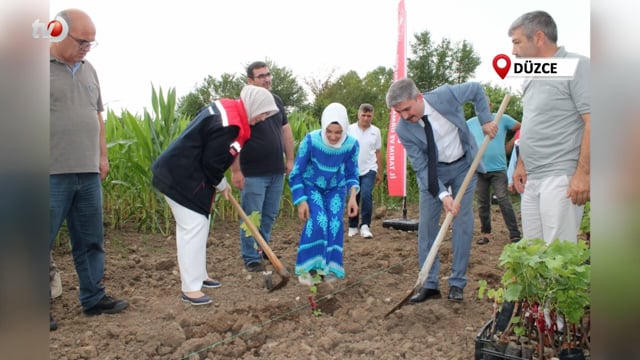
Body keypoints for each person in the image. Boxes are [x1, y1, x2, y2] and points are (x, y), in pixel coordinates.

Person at [152, 85, 279, 305]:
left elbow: (216, 158)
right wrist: (221, 184)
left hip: (187, 175)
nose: (263, 119)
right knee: (192, 229)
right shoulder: (229, 125)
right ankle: (190, 289)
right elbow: (211, 163)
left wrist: (219, 181)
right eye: (263, 113)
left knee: (200, 225)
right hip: (180, 177)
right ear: (254, 106)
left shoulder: (232, 111)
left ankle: (200, 276)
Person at [49, 9, 129, 330]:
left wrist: (103, 157)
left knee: (90, 239)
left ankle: (93, 297)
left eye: (91, 43)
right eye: (82, 41)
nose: (86, 48)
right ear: (58, 32)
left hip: (87, 171)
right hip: (49, 172)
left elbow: (98, 115)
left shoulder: (89, 69)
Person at [385, 78, 497, 303]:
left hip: (463, 166)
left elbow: (476, 89)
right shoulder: (404, 129)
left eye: (407, 109)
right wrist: (443, 195)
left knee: (462, 223)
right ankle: (429, 284)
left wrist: (486, 120)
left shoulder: (445, 96)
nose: (405, 116)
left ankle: (457, 283)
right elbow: (422, 166)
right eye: (399, 112)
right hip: (433, 174)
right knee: (427, 226)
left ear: (418, 97)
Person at [509, 11, 590, 244]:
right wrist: (521, 163)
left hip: (560, 175)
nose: (513, 51)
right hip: (533, 177)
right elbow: (532, 121)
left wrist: (583, 174)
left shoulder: (577, 66)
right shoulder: (533, 74)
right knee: (533, 253)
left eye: (517, 42)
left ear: (539, 37)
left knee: (558, 253)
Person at [231, 61, 294, 273]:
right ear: (250, 81)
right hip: (253, 173)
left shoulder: (276, 102)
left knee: (269, 215)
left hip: (276, 170)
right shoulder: (243, 105)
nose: (266, 79)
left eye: (268, 74)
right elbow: (234, 139)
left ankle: (263, 247)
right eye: (261, 76)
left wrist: (290, 159)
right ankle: (251, 256)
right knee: (252, 216)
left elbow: (286, 131)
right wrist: (236, 171)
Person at [289, 103, 360, 285]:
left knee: (335, 224)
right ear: (323, 126)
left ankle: (329, 267)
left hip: (336, 188)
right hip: (312, 186)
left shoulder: (351, 145)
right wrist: (301, 200)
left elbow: (352, 173)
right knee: (319, 221)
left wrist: (353, 197)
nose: (333, 136)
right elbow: (296, 172)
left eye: (338, 132)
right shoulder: (311, 141)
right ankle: (307, 268)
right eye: (329, 131)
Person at [467, 100, 521, 245]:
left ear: (490, 106)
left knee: (503, 200)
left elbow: (521, 128)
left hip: (498, 169)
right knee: (482, 202)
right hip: (479, 170)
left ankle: (515, 234)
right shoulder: (470, 123)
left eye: (484, 105)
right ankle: (486, 234)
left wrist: (510, 145)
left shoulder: (501, 118)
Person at [347, 103, 382, 239]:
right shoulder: (350, 130)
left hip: (369, 168)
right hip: (352, 170)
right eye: (364, 115)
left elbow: (378, 152)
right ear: (358, 114)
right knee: (354, 196)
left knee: (367, 195)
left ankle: (365, 226)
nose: (366, 118)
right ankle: (352, 225)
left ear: (372, 116)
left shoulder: (376, 131)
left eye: (369, 116)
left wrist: (380, 171)